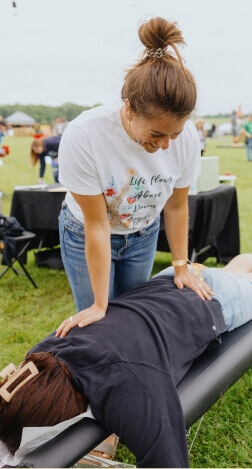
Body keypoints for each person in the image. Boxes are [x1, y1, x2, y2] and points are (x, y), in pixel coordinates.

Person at [0, 242, 252, 468]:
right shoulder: (40, 353)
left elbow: (168, 462)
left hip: (211, 300)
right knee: (229, 271)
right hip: (170, 281)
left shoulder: (127, 382)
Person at [57, 17, 204, 324]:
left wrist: (181, 265)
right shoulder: (84, 135)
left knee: (135, 316)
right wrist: (99, 304)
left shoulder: (188, 138)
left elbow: (177, 207)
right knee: (100, 323)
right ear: (128, 109)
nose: (165, 145)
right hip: (87, 229)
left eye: (173, 134)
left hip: (142, 233)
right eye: (155, 134)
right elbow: (96, 225)